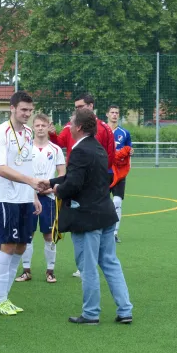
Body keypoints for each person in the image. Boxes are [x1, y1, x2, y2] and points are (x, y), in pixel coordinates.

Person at [38, 108, 133, 324]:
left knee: (87, 266)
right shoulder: (98, 148)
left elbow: (73, 183)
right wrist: (52, 182)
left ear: (79, 127)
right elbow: (79, 178)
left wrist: (54, 190)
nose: (68, 127)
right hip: (105, 214)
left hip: (87, 218)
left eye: (70, 123)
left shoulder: (80, 151)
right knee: (110, 262)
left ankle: (91, 313)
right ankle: (125, 309)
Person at [49, 93, 115, 277]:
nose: (77, 110)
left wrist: (59, 189)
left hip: (89, 190)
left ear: (90, 106)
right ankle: (124, 307)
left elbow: (110, 155)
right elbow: (60, 141)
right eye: (76, 107)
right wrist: (52, 133)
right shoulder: (74, 127)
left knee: (92, 250)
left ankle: (90, 299)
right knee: (110, 262)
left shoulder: (103, 129)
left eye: (80, 107)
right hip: (76, 176)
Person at [0, 91, 42, 316]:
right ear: (12, 108)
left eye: (30, 111)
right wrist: (30, 181)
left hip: (25, 198)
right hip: (6, 198)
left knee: (22, 246)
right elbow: (0, 168)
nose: (27, 114)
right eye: (23, 110)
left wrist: (34, 195)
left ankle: (6, 297)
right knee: (8, 246)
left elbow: (27, 166)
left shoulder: (29, 132)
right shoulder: (0, 132)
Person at [16, 114, 65, 283]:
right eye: (37, 125)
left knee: (49, 235)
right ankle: (26, 270)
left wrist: (51, 188)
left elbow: (62, 174)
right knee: (27, 234)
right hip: (28, 196)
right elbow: (20, 172)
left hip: (49, 198)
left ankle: (50, 271)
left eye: (44, 125)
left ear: (48, 126)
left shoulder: (56, 149)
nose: (40, 128)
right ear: (33, 127)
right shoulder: (25, 148)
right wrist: (32, 188)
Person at [106, 105, 133, 243]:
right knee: (102, 202)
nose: (114, 115)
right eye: (112, 112)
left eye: (117, 112)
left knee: (117, 202)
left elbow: (130, 149)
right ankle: (102, 231)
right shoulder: (101, 131)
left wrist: (130, 152)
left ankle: (114, 233)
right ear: (107, 114)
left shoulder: (124, 133)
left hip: (119, 173)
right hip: (103, 172)